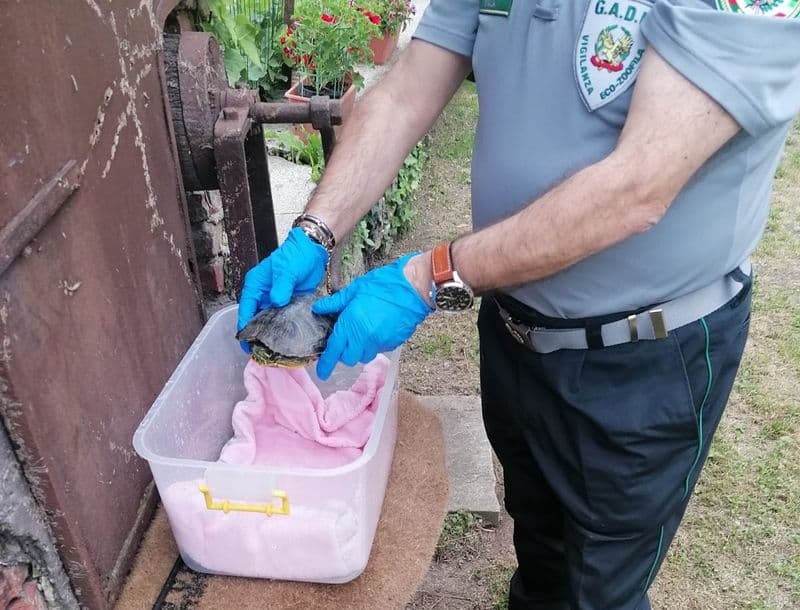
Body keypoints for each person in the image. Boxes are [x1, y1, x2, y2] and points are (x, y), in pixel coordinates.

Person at [237, 0, 800, 607]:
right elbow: (404, 94)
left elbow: (636, 188)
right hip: (515, 329)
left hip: (644, 359)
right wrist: (315, 232)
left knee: (600, 587)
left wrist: (433, 275)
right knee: (538, 540)